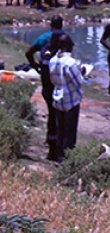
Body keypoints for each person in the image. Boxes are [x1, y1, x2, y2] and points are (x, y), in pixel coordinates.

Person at [25, 15, 67, 161]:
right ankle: (61, 149)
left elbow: (28, 53)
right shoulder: (65, 39)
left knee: (51, 113)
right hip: (61, 84)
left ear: (50, 24)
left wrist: (35, 66)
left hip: (47, 83)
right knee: (61, 116)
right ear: (61, 24)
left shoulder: (43, 38)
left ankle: (52, 148)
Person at [49, 35, 83, 162]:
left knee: (61, 130)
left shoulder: (52, 60)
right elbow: (79, 81)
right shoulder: (71, 63)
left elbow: (53, 79)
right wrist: (82, 71)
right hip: (71, 99)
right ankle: (68, 160)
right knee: (70, 133)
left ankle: (59, 156)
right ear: (69, 46)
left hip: (58, 97)